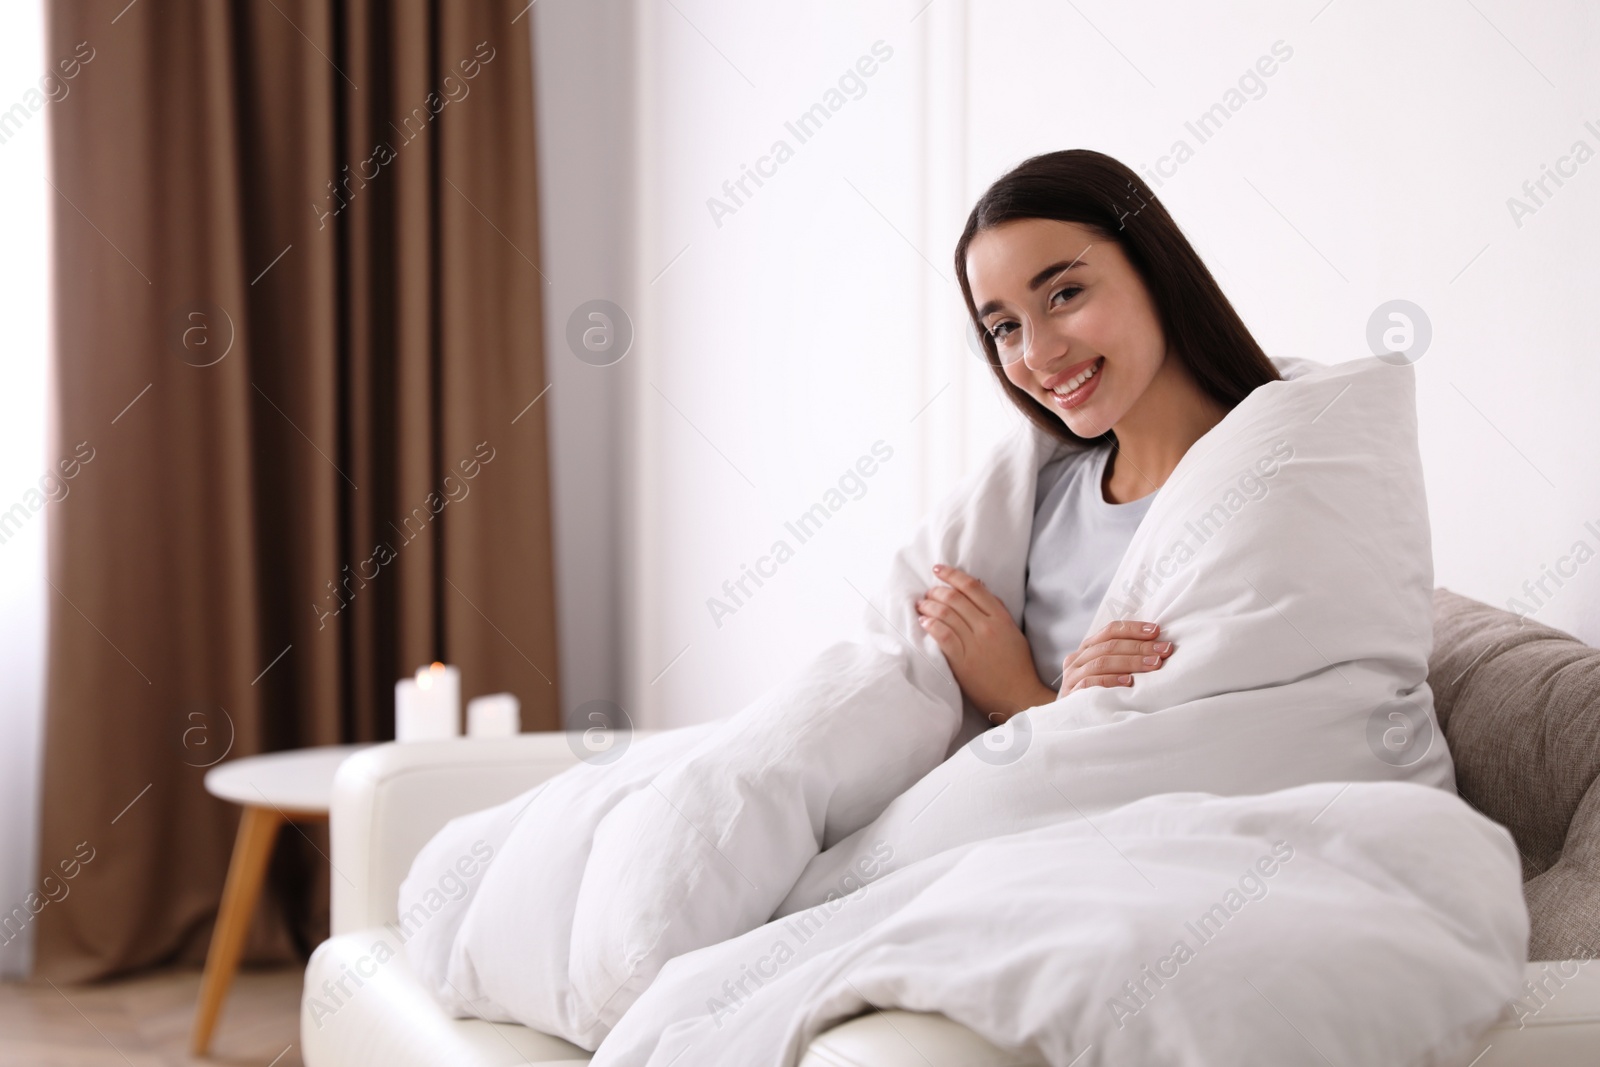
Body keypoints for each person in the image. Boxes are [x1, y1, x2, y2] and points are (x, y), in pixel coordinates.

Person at [915, 149, 1281, 724]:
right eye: (1006, 328)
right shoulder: (1040, 504)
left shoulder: (1279, 480)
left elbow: (1234, 742)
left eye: (1064, 294)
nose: (1038, 354)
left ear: (1155, 270)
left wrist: (1022, 699)